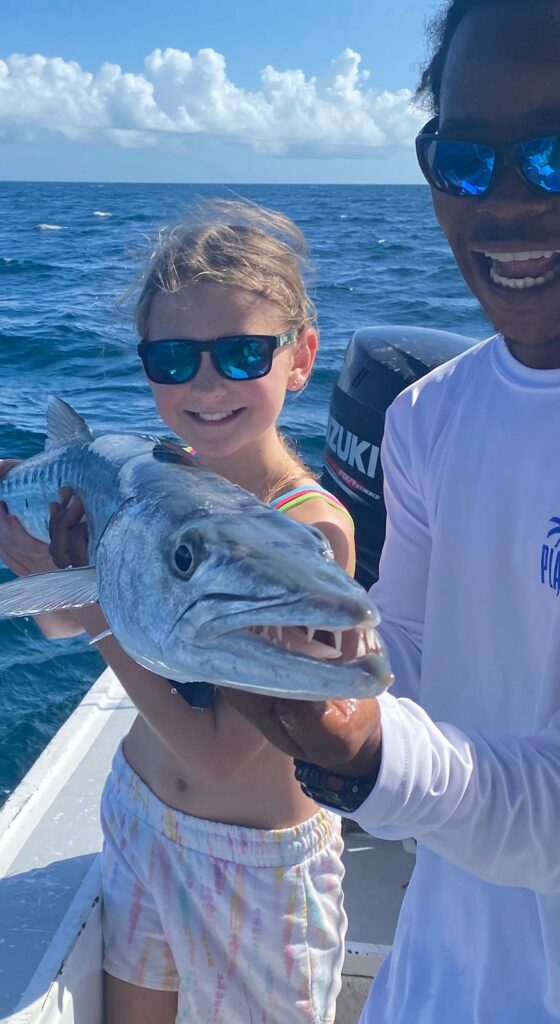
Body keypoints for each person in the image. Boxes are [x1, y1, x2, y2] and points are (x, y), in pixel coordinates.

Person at [223, 2, 560, 1021]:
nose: (505, 201)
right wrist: (278, 640)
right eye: (463, 157)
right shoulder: (426, 415)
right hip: (435, 975)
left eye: (554, 154)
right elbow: (405, 659)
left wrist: (367, 752)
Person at [0, 201, 357, 1024]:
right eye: (175, 358)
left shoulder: (309, 536)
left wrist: (99, 605)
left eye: (243, 353)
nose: (207, 384)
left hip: (257, 866)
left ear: (300, 360)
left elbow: (222, 752)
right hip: (138, 811)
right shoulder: (155, 484)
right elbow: (64, 627)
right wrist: (57, 576)